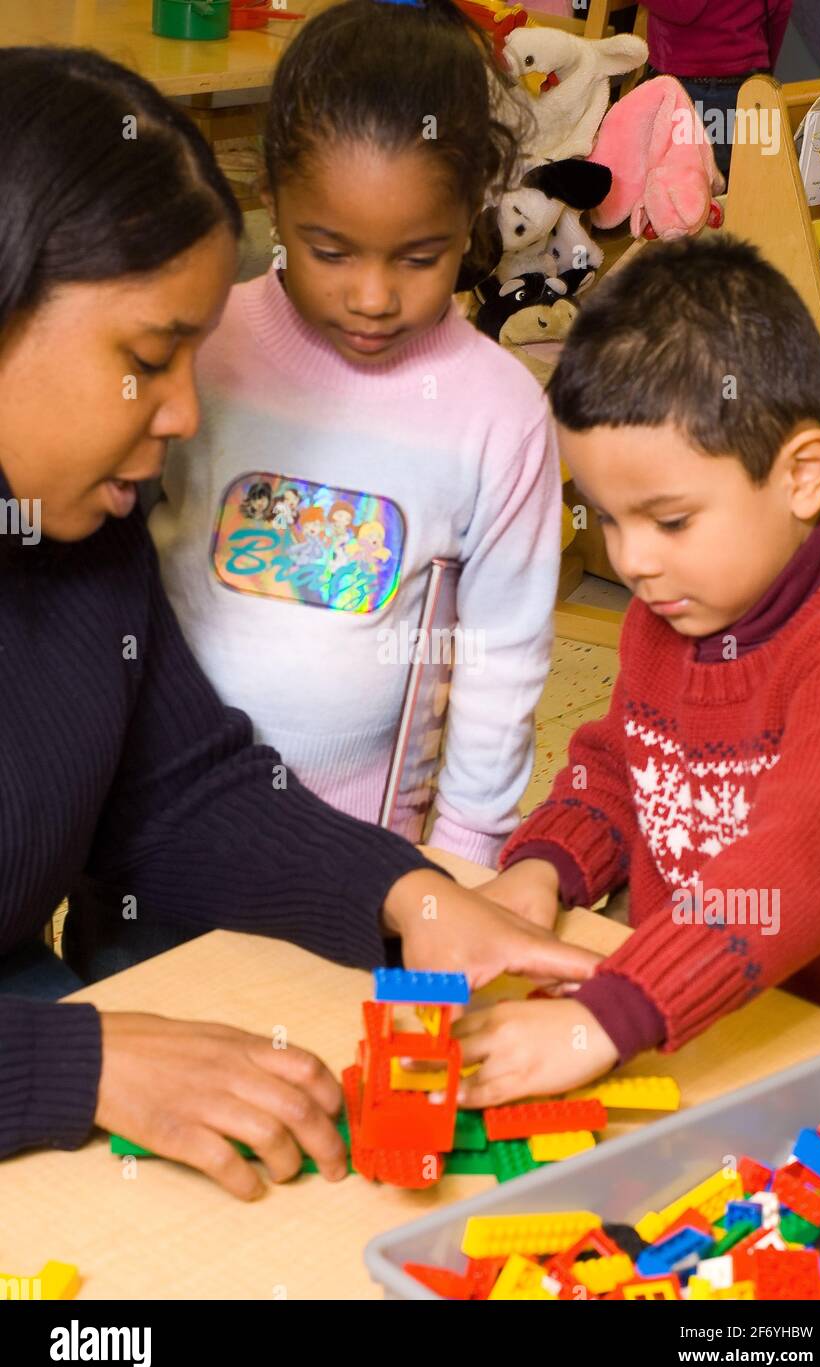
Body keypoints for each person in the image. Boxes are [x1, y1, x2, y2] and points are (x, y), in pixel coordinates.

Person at [0, 46, 595, 1196]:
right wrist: (81, 1063)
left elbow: (180, 787)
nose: (184, 408)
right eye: (146, 357)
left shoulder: (80, 523)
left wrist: (415, 894)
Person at [149, 0, 561, 869]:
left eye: (419, 257)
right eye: (329, 250)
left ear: (472, 217)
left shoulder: (497, 411)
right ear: (269, 196)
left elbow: (501, 660)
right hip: (155, 833)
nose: (372, 297)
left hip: (362, 861)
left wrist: (460, 854)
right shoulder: (205, 344)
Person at [455, 235, 820, 1106]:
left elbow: (803, 853)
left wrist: (607, 1015)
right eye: (605, 517)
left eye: (669, 520)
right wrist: (545, 866)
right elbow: (624, 768)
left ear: (800, 475)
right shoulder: (677, 607)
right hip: (696, 1037)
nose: (633, 561)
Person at [641, 0, 793, 178]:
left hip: (686, 87)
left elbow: (682, 8)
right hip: (748, 85)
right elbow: (780, 10)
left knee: (677, 189)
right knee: (746, 188)